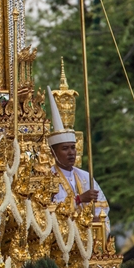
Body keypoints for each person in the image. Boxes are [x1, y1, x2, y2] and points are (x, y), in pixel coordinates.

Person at [46, 88, 106, 219]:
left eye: (73, 148)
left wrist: (97, 219)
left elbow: (103, 208)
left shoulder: (85, 177)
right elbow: (46, 211)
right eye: (65, 148)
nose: (71, 153)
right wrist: (79, 199)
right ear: (53, 152)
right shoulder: (47, 178)